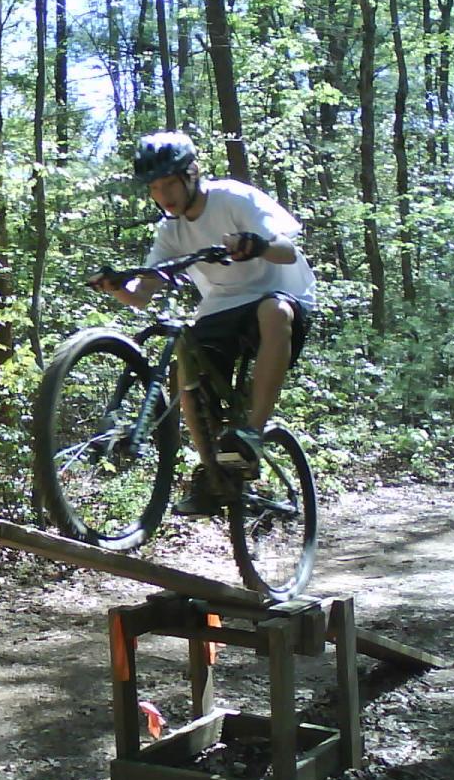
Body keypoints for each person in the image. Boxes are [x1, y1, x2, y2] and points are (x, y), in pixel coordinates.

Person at [91, 131, 315, 516]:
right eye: (154, 188)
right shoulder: (171, 231)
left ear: (192, 173)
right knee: (184, 369)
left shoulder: (234, 198)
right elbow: (143, 295)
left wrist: (256, 245)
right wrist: (116, 289)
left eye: (168, 184)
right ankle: (214, 471)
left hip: (282, 296)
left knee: (272, 311)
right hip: (223, 308)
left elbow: (287, 250)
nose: (163, 195)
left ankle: (252, 432)